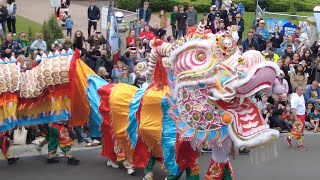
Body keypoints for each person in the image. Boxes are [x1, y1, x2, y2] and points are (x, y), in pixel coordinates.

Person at [285, 84, 307, 151]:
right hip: (299, 116)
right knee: (299, 130)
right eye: (299, 90)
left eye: (302, 90)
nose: (301, 91)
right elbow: (293, 109)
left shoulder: (301, 95)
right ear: (296, 90)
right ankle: (299, 145)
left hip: (302, 115)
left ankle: (289, 138)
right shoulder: (295, 98)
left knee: (298, 130)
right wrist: (296, 118)